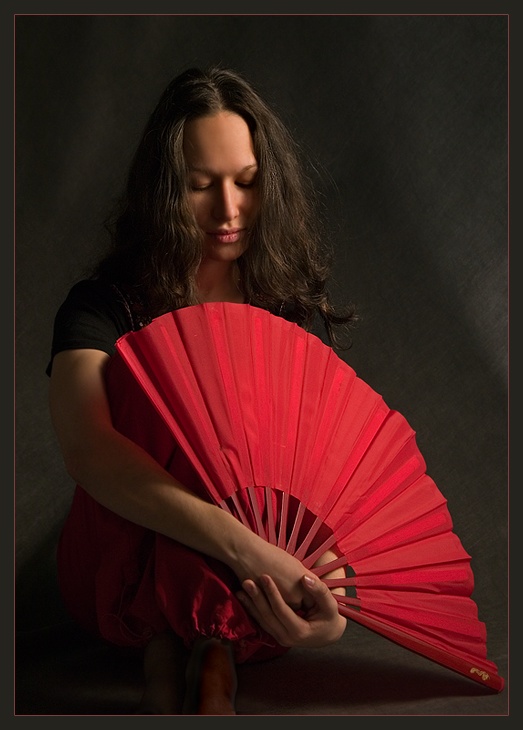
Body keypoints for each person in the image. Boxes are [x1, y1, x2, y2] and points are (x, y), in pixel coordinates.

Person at [47, 65, 358, 715]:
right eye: (199, 187)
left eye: (246, 183)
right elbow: (88, 450)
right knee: (160, 407)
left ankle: (187, 653)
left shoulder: (283, 314)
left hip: (254, 591)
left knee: (259, 464)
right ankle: (200, 656)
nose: (228, 211)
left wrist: (333, 611)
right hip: (117, 564)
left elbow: (312, 488)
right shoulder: (101, 307)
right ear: (163, 193)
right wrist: (247, 548)